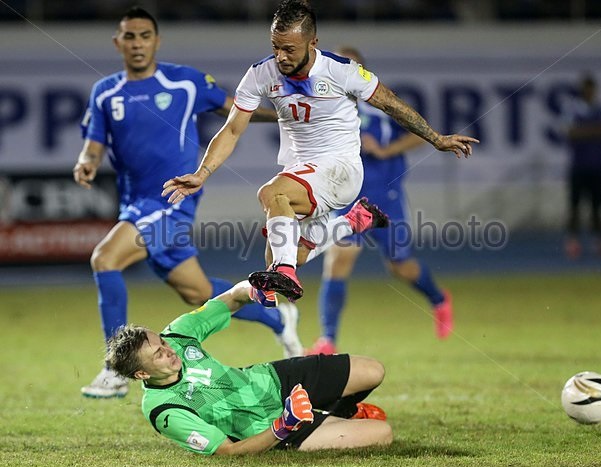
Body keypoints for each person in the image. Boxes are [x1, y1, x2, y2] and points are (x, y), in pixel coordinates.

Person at [162, 0, 478, 305]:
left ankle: (284, 273)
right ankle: (353, 221)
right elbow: (232, 129)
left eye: (289, 49)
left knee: (271, 194)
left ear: (313, 42)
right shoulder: (262, 73)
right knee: (285, 253)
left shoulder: (342, 71)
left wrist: (436, 138)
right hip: (302, 173)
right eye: (275, 47)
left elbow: (391, 103)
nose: (281, 57)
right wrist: (203, 173)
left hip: (340, 169)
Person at [73, 7, 302, 399]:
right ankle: (279, 317)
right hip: (134, 205)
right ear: (118, 43)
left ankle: (115, 370)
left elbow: (237, 109)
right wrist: (86, 162)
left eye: (145, 35)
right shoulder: (105, 92)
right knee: (198, 294)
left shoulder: (184, 82)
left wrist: (288, 117)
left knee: (104, 259)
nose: (138, 43)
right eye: (130, 36)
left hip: (171, 199)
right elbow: (94, 144)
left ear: (156, 41)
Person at [105, 280, 393, 454]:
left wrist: (253, 289)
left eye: (162, 343)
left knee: (373, 371)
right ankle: (325, 419)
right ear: (141, 374)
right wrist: (283, 426)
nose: (168, 350)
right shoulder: (163, 410)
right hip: (268, 426)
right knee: (382, 434)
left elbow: (231, 298)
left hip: (274, 380)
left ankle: (339, 412)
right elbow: (228, 452)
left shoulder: (177, 335)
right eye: (158, 354)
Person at [307, 47, 453, 355]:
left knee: (401, 266)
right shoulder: (326, 108)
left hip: (386, 196)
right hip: (348, 198)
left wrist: (386, 150)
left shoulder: (379, 103)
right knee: (338, 259)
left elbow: (418, 133)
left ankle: (439, 300)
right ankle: (328, 340)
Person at [563, 74, 601, 259]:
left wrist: (582, 131)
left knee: (597, 207)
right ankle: (573, 242)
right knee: (575, 207)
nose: (589, 92)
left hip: (597, 165)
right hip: (579, 166)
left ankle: (599, 241)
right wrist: (594, 130)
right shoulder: (574, 109)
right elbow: (570, 132)